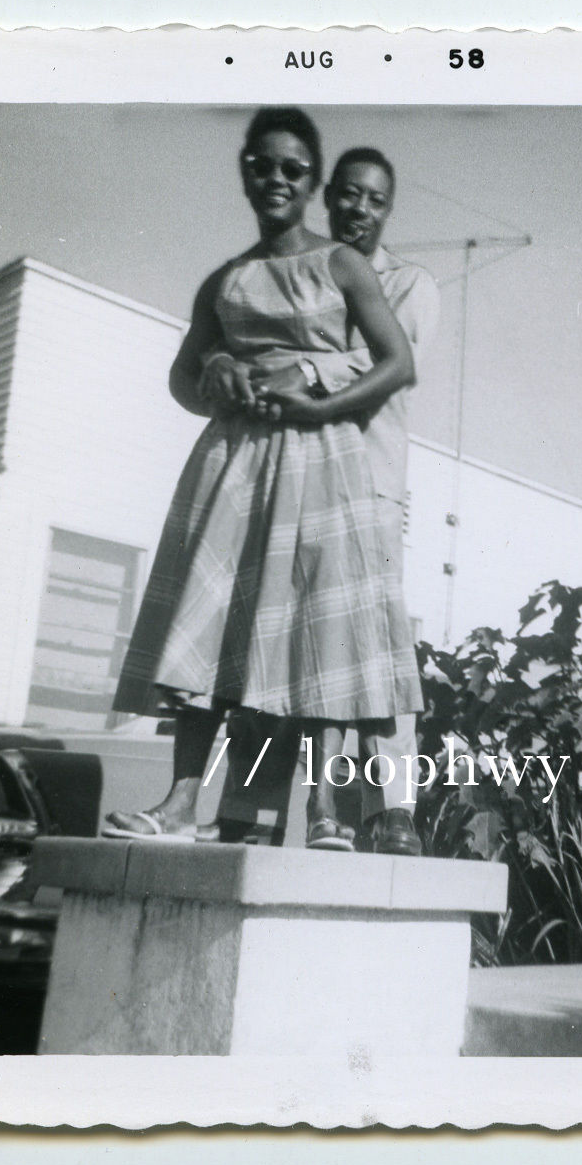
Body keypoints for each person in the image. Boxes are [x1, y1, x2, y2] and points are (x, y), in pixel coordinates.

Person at [104, 108, 421, 851]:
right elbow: (182, 378)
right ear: (246, 170)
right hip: (235, 465)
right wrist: (214, 372)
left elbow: (398, 363)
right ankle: (181, 804)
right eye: (263, 165)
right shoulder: (226, 279)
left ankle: (325, 815)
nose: (276, 179)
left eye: (292, 169)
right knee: (207, 628)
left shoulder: (343, 263)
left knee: (315, 632)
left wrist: (319, 405)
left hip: (320, 462)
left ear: (312, 182)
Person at [207, 147, 439, 856]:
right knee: (268, 643)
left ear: (387, 210)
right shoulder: (296, 274)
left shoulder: (405, 282)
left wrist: (298, 365)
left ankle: (386, 808)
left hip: (366, 486)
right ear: (327, 197)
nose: (359, 210)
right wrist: (227, 362)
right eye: (348, 195)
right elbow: (239, 344)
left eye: (374, 199)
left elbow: (385, 362)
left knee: (368, 649)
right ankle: (249, 812)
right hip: (290, 482)